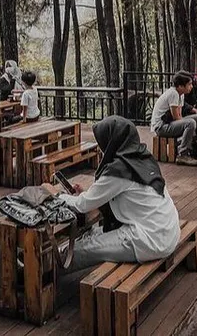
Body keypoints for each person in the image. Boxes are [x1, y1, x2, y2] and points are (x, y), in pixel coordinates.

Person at [44, 115, 180, 272]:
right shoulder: (142, 158)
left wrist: (57, 195)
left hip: (148, 240)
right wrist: (89, 194)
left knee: (75, 252)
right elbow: (117, 192)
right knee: (93, 233)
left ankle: (40, 272)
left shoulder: (118, 170)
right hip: (167, 230)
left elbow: (82, 205)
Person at [150, 71, 197, 166]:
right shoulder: (173, 94)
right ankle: (183, 155)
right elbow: (177, 117)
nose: (191, 86)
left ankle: (196, 148)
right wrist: (189, 129)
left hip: (170, 123)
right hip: (161, 126)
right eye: (189, 84)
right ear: (180, 86)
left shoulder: (181, 94)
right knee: (190, 123)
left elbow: (179, 115)